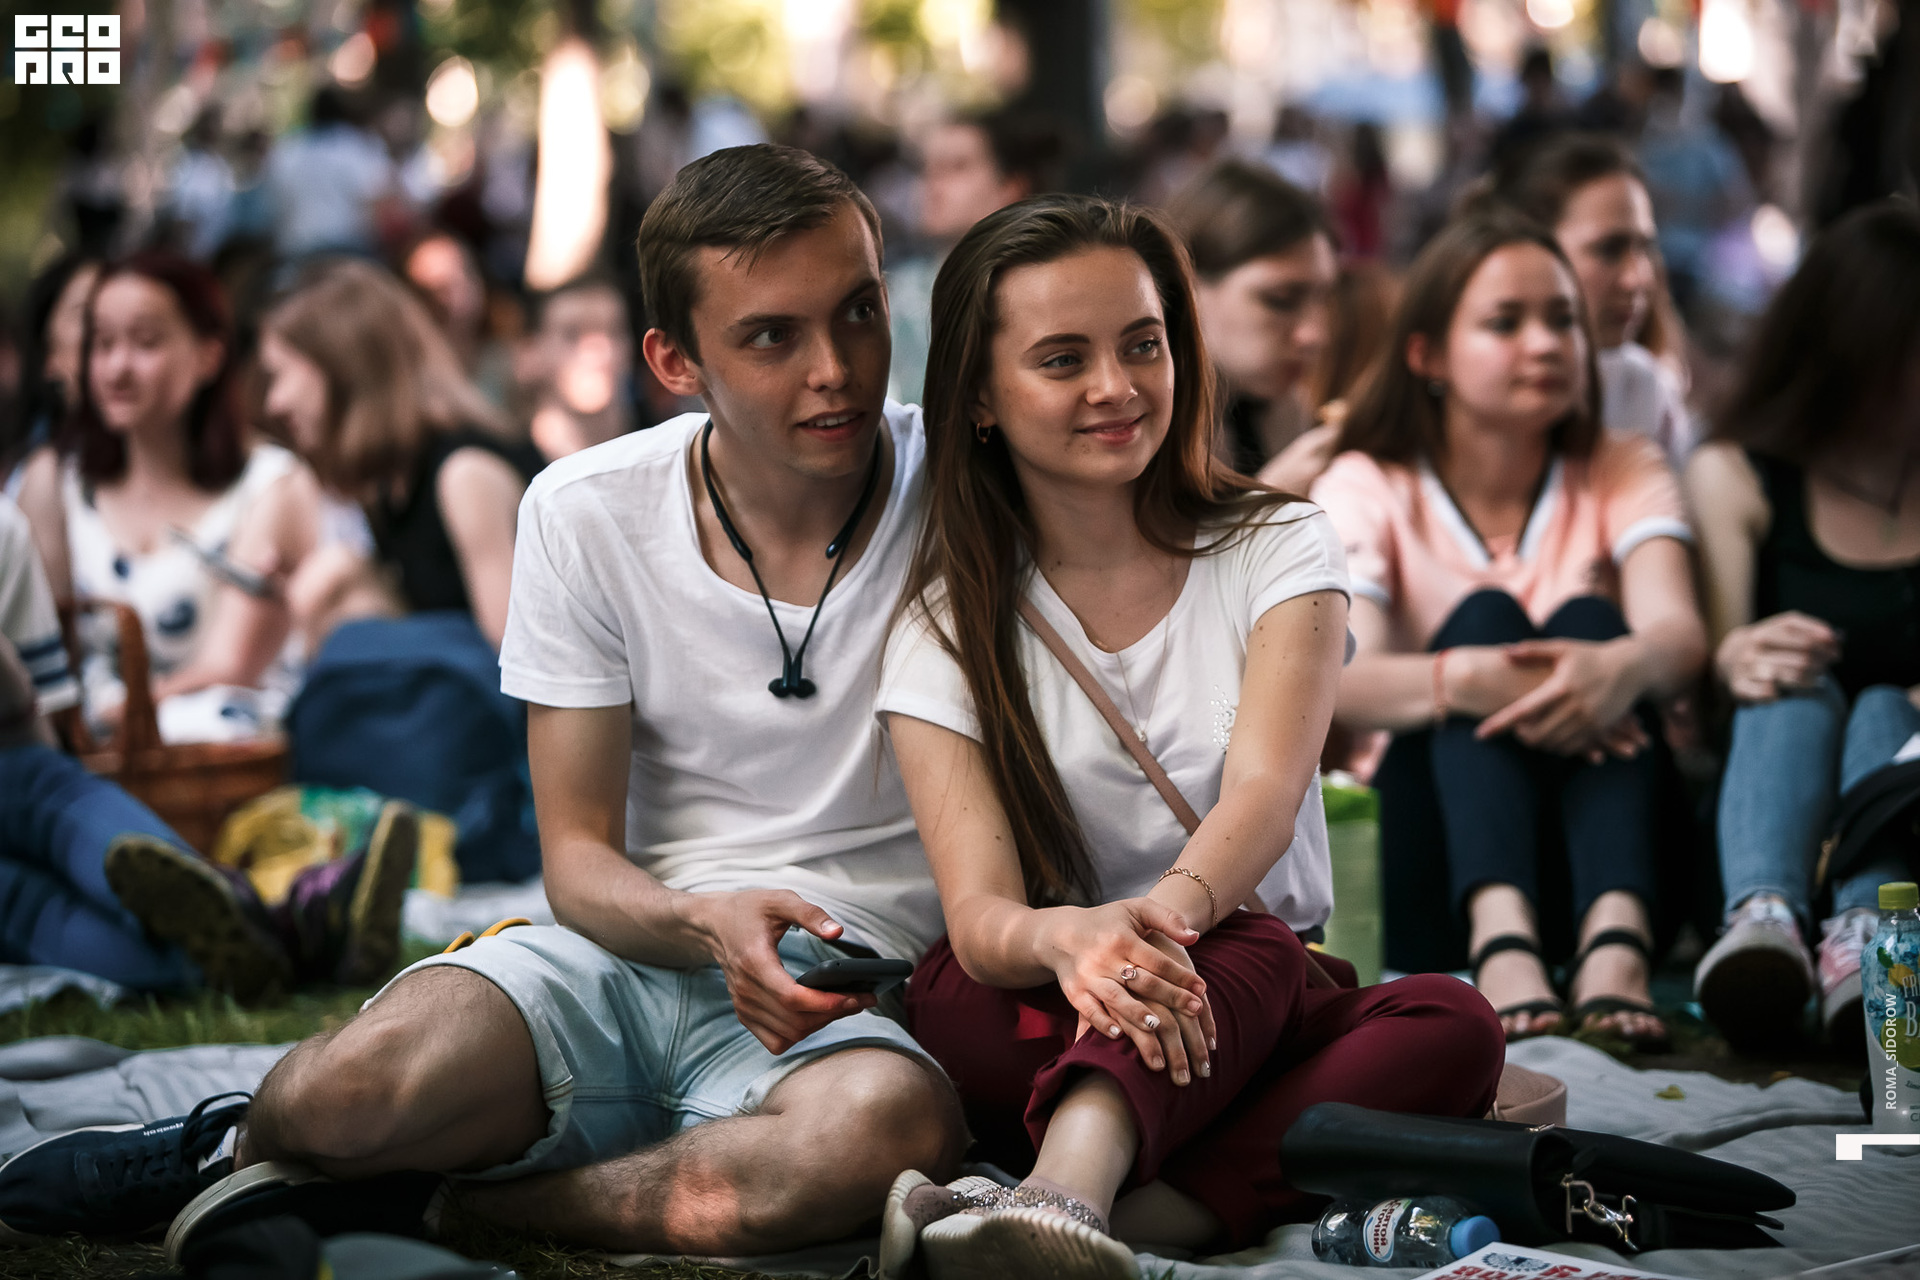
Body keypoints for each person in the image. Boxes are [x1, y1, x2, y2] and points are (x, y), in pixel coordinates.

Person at [19, 143, 965, 1256]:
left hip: (846, 994)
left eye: (859, 311)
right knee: (344, 1092)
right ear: (674, 360)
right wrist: (701, 920)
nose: (837, 369)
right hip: (623, 954)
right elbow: (577, 862)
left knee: (881, 1136)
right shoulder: (585, 509)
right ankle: (227, 1144)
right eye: (772, 336)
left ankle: (435, 1206)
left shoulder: (964, 482)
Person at [875, 196, 1502, 1276]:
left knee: (1450, 1021)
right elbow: (981, 918)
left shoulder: (1279, 545)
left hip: (1247, 986)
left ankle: (1067, 1201)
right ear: (978, 396)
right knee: (957, 996)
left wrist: (1157, 932)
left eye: (1142, 344)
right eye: (1063, 359)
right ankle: (1100, 1190)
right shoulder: (944, 623)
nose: (1116, 386)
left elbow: (1263, 795)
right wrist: (1077, 944)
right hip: (1048, 1003)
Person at [1312, 212, 1707, 1047]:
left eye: (1562, 319)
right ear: (1427, 356)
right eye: (1506, 323)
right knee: (1484, 622)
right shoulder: (1367, 483)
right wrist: (1470, 679)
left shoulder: (1623, 462)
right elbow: (1337, 680)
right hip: (1435, 872)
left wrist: (1618, 672)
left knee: (1596, 625)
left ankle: (1617, 948)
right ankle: (1503, 939)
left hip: (1614, 855)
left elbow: (1678, 636)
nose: (1546, 344)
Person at [1686, 202, 1920, 1047]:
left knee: (1886, 709)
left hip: (1908, 807)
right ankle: (1767, 920)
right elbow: (1713, 684)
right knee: (1793, 687)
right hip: (1766, 804)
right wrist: (1734, 656)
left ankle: (1866, 935)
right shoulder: (1737, 476)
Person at [14, 252, 319, 740]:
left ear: (209, 355)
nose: (117, 368)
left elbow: (230, 665)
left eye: (146, 342)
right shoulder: (55, 484)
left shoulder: (270, 484)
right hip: (85, 761)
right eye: (103, 344)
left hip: (218, 756)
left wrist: (114, 717)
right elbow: (38, 654)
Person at [254, 259, 535, 653]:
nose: (275, 402)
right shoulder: (393, 483)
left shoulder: (464, 473)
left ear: (342, 368)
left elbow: (513, 661)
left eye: (281, 375)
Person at [1485, 133, 1696, 469]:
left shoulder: (1643, 391)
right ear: (1528, 248)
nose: (1638, 279)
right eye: (1609, 249)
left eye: (1645, 248)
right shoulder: (1468, 386)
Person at [1165, 161, 1337, 480]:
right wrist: (1273, 499)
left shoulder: (1282, 407)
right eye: (1280, 299)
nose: (1316, 334)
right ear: (1188, 287)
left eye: (1324, 298)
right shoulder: (1137, 424)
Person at [889, 111, 1067, 405]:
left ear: (1010, 187)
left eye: (956, 167)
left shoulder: (1054, 289)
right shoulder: (892, 292)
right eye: (925, 169)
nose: (933, 183)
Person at [521, 275, 639, 461]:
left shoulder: (669, 444)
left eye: (614, 331)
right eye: (572, 335)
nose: (598, 351)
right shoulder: (499, 466)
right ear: (531, 351)